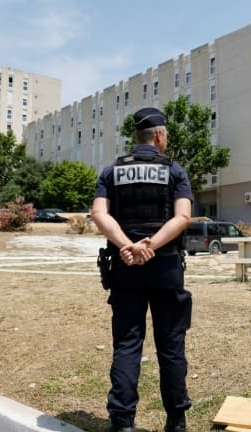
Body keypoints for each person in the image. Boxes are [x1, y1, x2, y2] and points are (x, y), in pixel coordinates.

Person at [91, 107, 193, 432]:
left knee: (127, 344)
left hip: (125, 267)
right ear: (160, 136)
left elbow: (99, 215)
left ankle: (122, 422)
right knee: (171, 345)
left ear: (137, 137)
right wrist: (152, 246)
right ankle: (176, 421)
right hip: (165, 267)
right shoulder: (175, 171)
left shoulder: (111, 172)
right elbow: (182, 217)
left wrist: (127, 246)